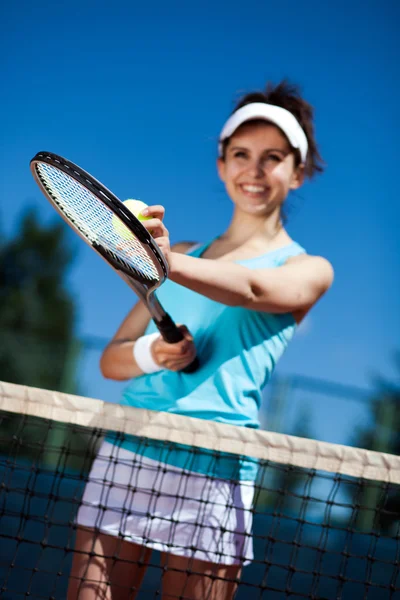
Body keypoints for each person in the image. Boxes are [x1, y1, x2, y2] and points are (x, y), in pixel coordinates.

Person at [68, 80, 333, 600]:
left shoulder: (309, 269)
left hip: (215, 469)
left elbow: (254, 288)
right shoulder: (187, 250)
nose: (253, 171)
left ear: (297, 173)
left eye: (272, 158)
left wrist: (162, 261)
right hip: (131, 449)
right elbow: (111, 361)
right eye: (240, 154)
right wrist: (154, 352)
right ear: (221, 164)